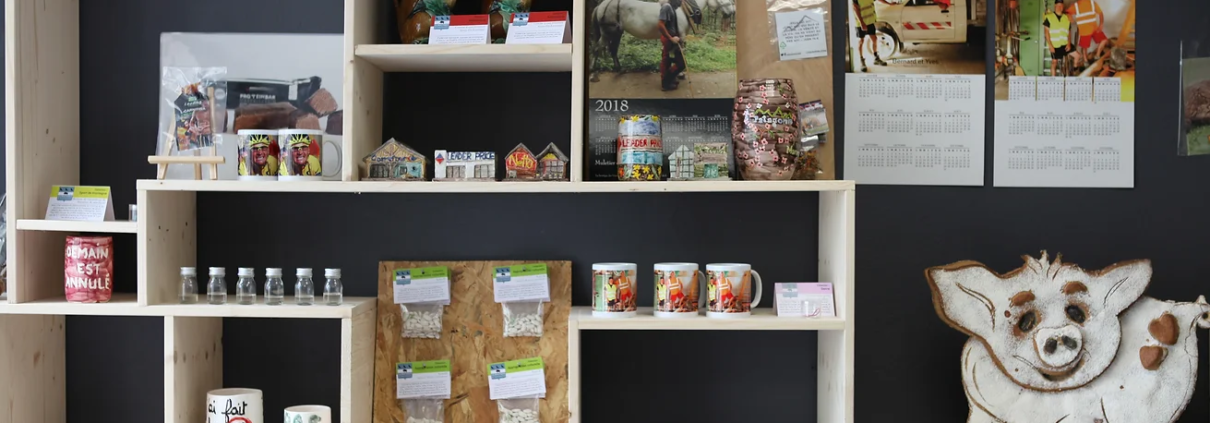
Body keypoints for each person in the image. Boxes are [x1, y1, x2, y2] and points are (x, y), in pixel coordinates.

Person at [1067, 0, 1107, 66]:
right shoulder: (1076, 5)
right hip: (1084, 31)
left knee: (1104, 40)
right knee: (1084, 47)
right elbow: (1067, 12)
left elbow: (1100, 13)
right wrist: (1069, 16)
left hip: (1094, 29)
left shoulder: (1092, 3)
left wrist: (1101, 24)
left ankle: (1097, 56)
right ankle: (1085, 61)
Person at [657, 0, 687, 91]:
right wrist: (671, 38)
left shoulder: (672, 8)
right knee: (675, 62)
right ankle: (665, 83)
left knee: (671, 61)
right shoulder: (666, 7)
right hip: (668, 40)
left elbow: (671, 26)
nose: (681, 2)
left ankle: (669, 80)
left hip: (673, 39)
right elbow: (660, 25)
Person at [852, 0, 886, 72]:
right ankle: (861, 60)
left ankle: (876, 58)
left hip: (870, 22)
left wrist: (889, 3)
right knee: (861, 41)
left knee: (874, 39)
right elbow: (855, 9)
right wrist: (862, 23)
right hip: (860, 24)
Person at [1044, 0, 1073, 77]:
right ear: (1055, 6)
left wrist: (1069, 43)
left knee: (1077, 56)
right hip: (1055, 45)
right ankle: (1053, 80)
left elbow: (1069, 31)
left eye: (1061, 6)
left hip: (1065, 44)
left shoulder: (1067, 17)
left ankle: (1073, 74)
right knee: (1054, 62)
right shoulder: (1049, 17)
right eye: (1058, 5)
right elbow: (1046, 32)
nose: (1060, 7)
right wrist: (1050, 45)